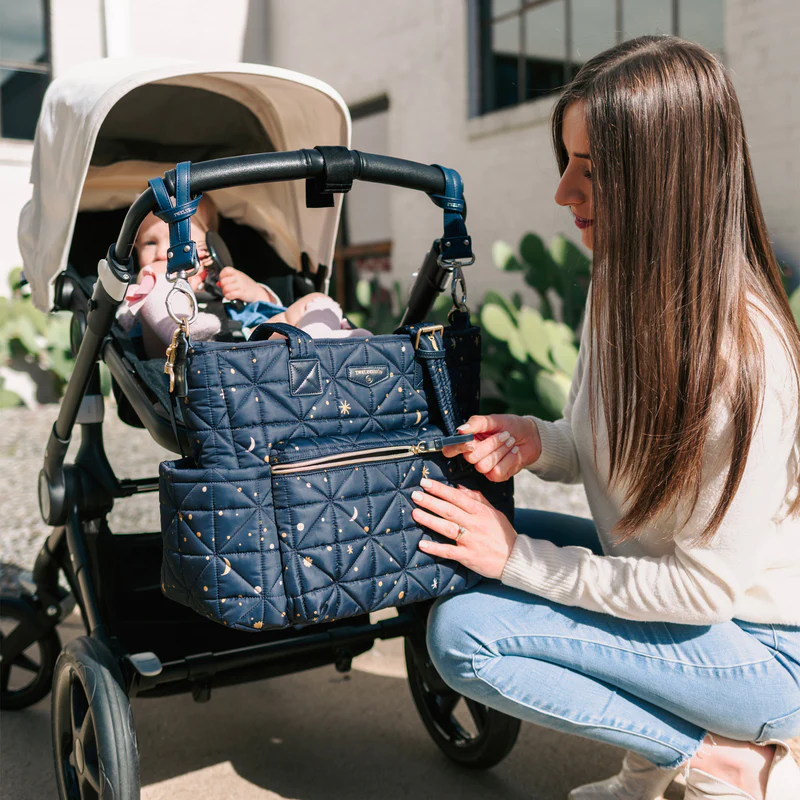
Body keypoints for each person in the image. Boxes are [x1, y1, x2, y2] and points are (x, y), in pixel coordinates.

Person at [411, 36, 800, 800]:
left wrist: (518, 561)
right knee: (451, 541)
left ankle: (720, 762)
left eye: (588, 172)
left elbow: (700, 593)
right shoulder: (619, 278)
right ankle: (660, 759)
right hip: (685, 602)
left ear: (665, 181)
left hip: (765, 655)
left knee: (466, 638)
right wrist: (537, 441)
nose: (563, 194)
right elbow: (614, 450)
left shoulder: (746, 358)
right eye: (566, 163)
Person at [119, 195, 367, 357]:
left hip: (251, 348)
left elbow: (269, 312)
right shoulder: (148, 279)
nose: (164, 252)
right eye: (150, 243)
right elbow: (124, 319)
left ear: (210, 246)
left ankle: (322, 342)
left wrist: (255, 292)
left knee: (316, 300)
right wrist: (159, 284)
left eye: (180, 243)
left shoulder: (221, 277)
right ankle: (182, 326)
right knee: (157, 280)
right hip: (175, 354)